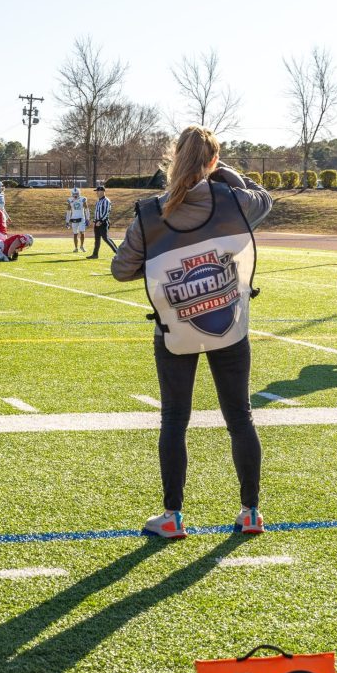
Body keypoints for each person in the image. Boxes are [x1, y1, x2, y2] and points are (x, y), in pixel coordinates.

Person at [111, 125, 272, 540]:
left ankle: (172, 516)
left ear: (172, 159)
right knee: (240, 417)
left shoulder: (151, 213)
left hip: (176, 330)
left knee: (174, 420)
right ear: (212, 162)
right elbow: (265, 199)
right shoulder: (233, 200)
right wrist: (227, 173)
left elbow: (121, 270)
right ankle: (251, 512)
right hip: (229, 325)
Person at [88, 185, 118, 259]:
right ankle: (95, 254)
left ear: (102, 191)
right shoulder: (98, 201)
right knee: (97, 239)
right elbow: (97, 212)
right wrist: (95, 221)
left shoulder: (106, 201)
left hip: (103, 222)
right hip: (97, 222)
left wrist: (101, 221)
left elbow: (106, 212)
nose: (96, 193)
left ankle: (118, 252)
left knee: (105, 238)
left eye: (97, 191)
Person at [66, 186, 88, 252]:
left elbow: (87, 209)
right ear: (72, 194)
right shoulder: (70, 200)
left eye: (76, 194)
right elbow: (68, 211)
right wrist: (67, 221)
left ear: (79, 193)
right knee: (75, 233)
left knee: (82, 232)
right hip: (74, 218)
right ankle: (76, 248)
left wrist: (87, 218)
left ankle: (82, 246)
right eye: (74, 194)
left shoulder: (83, 199)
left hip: (81, 218)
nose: (75, 195)